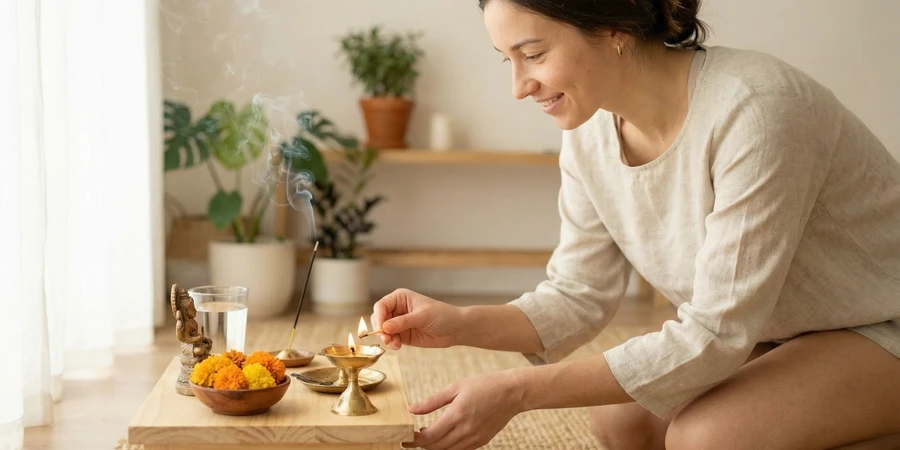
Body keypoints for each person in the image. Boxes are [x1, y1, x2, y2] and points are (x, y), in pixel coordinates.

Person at [370, 0, 900, 449]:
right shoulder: (588, 128)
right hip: (775, 330)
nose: (519, 85)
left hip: (878, 322)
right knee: (620, 418)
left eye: (532, 54)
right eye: (507, 59)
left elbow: (716, 333)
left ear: (613, 28)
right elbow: (577, 294)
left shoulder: (757, 110)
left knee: (706, 437)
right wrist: (457, 322)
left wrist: (517, 390)